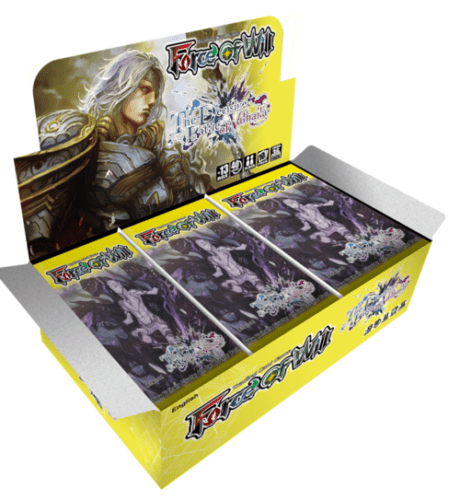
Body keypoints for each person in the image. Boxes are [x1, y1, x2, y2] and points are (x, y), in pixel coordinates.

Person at [17, 50, 210, 259]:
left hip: (158, 254)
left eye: (155, 94)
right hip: (91, 258)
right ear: (122, 86)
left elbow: (198, 208)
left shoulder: (162, 154)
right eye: (145, 89)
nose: (153, 100)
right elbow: (38, 220)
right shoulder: (80, 136)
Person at [106, 279, 177, 347]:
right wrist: (115, 326)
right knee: (134, 333)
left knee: (172, 340)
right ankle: (160, 347)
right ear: (112, 291)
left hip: (156, 321)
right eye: (112, 286)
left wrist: (158, 283)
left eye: (115, 283)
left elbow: (153, 292)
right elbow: (129, 319)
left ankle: (173, 343)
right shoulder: (123, 303)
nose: (114, 285)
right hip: (145, 327)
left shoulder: (132, 292)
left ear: (119, 283)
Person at [195, 239, 266, 294]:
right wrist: (204, 280)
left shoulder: (221, 249)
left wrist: (244, 240)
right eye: (200, 245)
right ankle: (247, 293)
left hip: (245, 273)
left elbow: (242, 248)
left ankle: (265, 291)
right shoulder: (211, 259)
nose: (202, 244)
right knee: (224, 284)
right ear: (201, 248)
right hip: (236, 279)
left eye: (202, 242)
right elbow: (219, 273)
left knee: (260, 287)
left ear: (207, 241)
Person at [283, 198, 355, 244]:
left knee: (350, 238)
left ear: (295, 200)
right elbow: (307, 226)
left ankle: (353, 239)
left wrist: (338, 201)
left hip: (333, 225)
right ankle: (335, 242)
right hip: (324, 231)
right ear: (289, 207)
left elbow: (328, 203)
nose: (291, 204)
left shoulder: (309, 206)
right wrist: (294, 233)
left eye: (290, 201)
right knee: (313, 237)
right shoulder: (300, 215)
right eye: (288, 204)